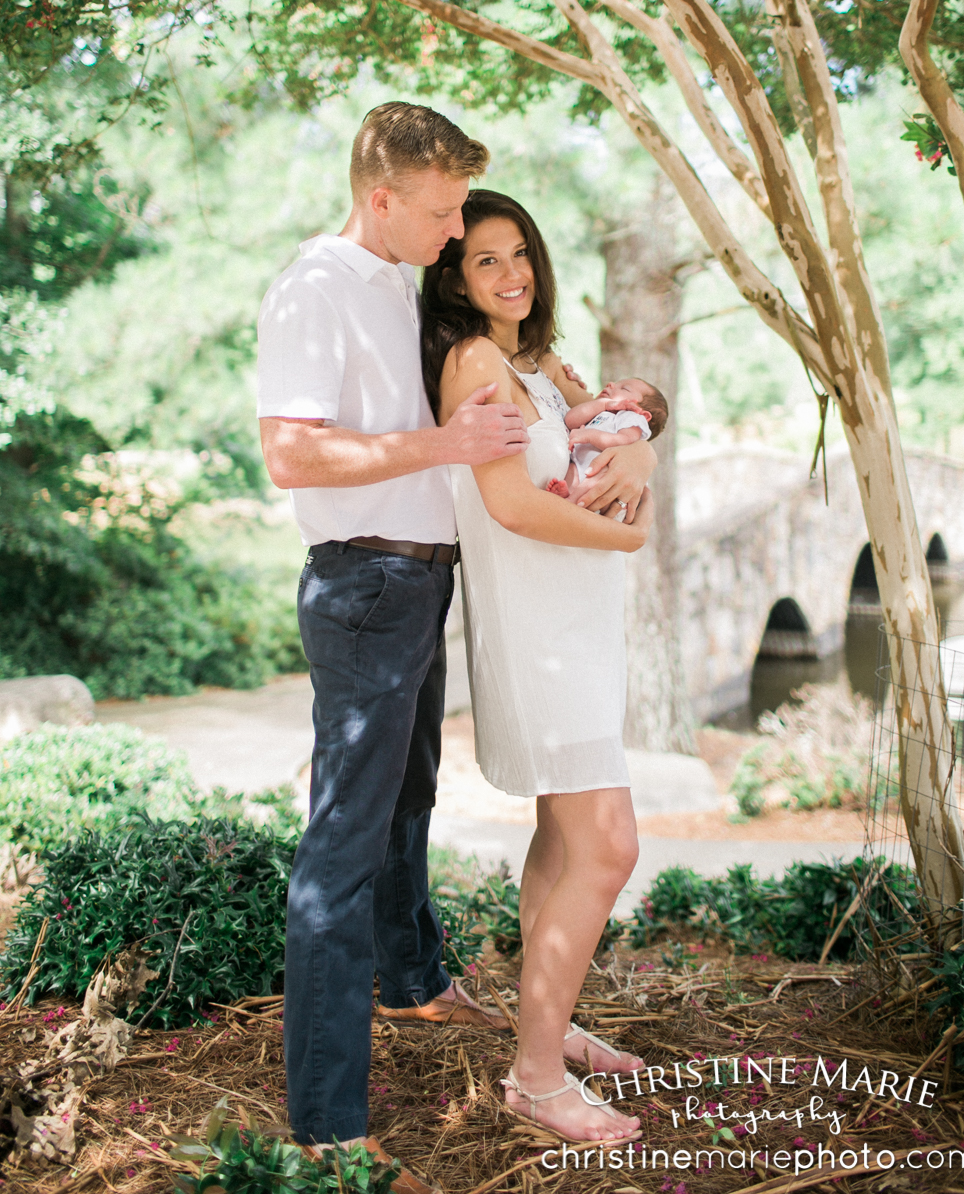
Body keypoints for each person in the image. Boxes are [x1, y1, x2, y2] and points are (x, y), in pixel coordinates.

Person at [257, 104, 537, 1181]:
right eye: (440, 208)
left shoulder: (396, 277)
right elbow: (291, 453)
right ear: (381, 197)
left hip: (420, 578)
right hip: (366, 580)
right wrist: (446, 443)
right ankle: (327, 1123)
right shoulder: (316, 285)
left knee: (412, 796)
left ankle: (411, 980)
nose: (454, 226)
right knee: (340, 846)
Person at [421, 189, 658, 1145]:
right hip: (542, 638)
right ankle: (533, 1078)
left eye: (520, 251)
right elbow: (512, 504)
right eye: (486, 259)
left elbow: (620, 425)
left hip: (578, 633)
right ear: (454, 276)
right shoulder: (476, 360)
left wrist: (640, 462)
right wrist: (628, 543)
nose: (513, 272)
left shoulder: (534, 360)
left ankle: (546, 1033)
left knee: (563, 846)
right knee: (608, 845)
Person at [547, 379, 668, 507]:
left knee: (599, 477)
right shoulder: (600, 411)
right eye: (615, 383)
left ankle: (572, 501)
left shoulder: (632, 417)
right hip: (582, 466)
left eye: (624, 388)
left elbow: (624, 441)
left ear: (643, 414)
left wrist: (590, 436)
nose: (611, 384)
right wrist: (604, 404)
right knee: (572, 472)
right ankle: (569, 494)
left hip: (606, 476)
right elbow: (570, 420)